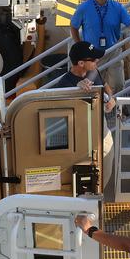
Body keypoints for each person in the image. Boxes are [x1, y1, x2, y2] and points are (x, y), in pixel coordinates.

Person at [49, 41, 117, 196]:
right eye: (93, 60)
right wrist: (75, 90)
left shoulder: (94, 71)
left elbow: (105, 85)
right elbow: (52, 110)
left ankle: (97, 197)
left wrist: (111, 99)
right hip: (79, 137)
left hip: (101, 128)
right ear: (80, 63)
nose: (97, 62)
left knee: (106, 166)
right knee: (81, 175)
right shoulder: (64, 84)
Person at [70, 0, 130, 94]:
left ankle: (118, 111)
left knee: (118, 84)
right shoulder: (84, 8)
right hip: (92, 55)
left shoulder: (117, 7)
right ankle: (99, 110)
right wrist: (79, 46)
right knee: (93, 87)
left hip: (113, 50)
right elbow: (73, 26)